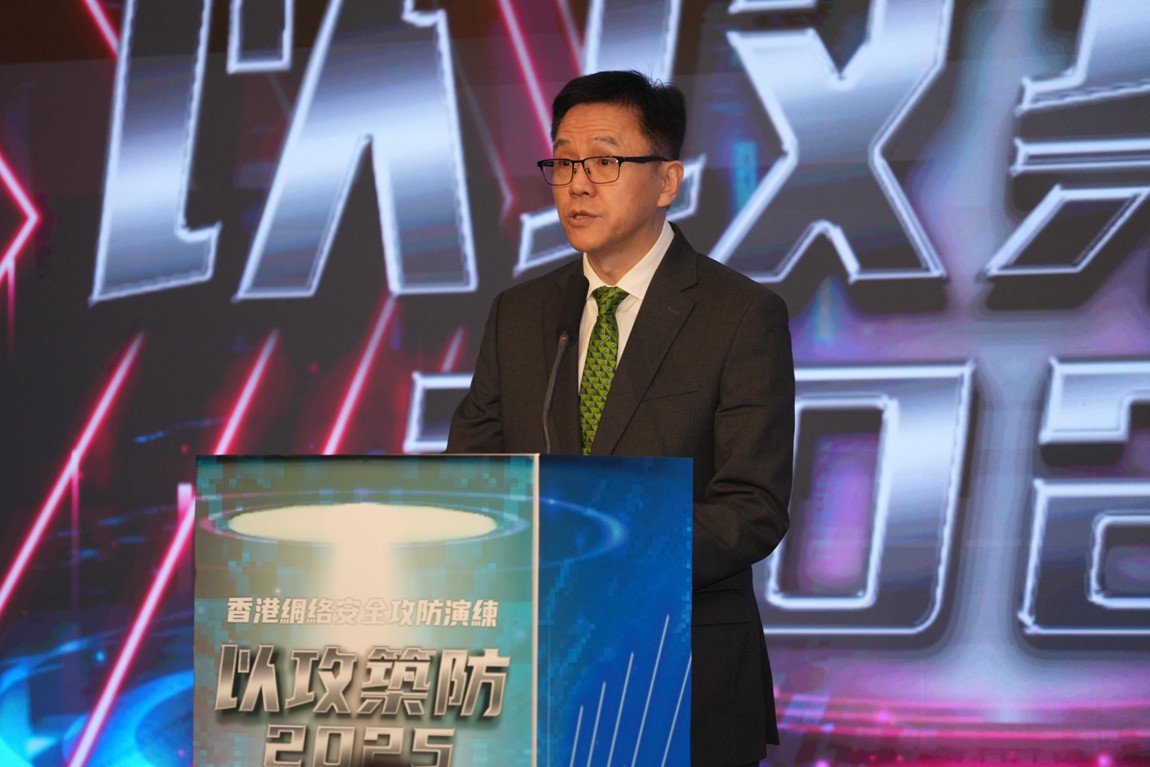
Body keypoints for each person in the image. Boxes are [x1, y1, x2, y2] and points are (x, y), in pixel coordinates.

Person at [447, 70, 794, 767]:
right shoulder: (520, 315)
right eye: (563, 162)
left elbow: (751, 506)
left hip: (681, 672)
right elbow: (472, 482)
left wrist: (609, 555)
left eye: (603, 162)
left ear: (667, 180)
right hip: (538, 676)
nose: (577, 184)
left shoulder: (739, 315)